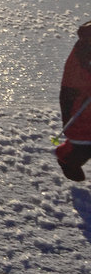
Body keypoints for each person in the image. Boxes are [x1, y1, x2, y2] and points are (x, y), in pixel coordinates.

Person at [55, 20, 91, 181]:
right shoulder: (86, 48)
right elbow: (78, 78)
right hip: (80, 104)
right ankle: (67, 159)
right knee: (83, 143)